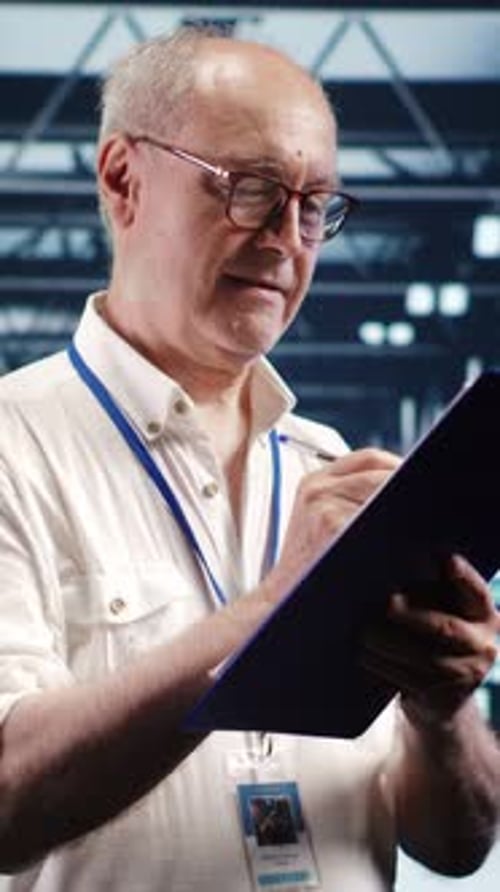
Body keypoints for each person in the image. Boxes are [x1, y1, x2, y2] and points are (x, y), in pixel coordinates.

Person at [0, 26, 498, 892]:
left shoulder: (332, 470)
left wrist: (441, 707)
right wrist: (268, 612)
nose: (286, 238)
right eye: (252, 188)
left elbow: (454, 847)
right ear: (123, 179)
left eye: (314, 205)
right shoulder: (16, 448)